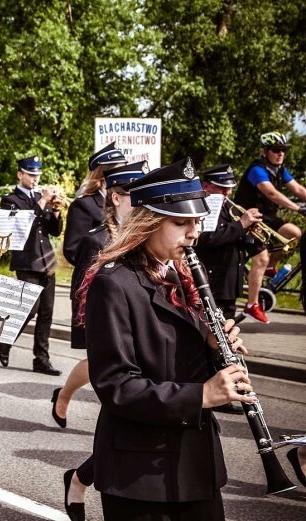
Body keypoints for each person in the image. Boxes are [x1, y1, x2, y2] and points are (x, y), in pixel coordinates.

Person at [78, 157, 254, 520]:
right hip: (141, 473)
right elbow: (117, 386)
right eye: (181, 223)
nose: (193, 233)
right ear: (149, 223)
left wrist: (215, 351)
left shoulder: (183, 276)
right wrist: (201, 395)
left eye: (197, 222)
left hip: (195, 463)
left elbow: (183, 362)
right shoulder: (114, 284)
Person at [54, 161, 145, 521]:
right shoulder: (97, 239)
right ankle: (83, 479)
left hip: (144, 341)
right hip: (114, 341)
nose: (143, 208)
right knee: (126, 419)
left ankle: (80, 478)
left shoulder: (145, 237)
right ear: (116, 197)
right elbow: (83, 294)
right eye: (135, 200)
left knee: (132, 424)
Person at [0, 155, 63, 375]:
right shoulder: (11, 200)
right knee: (29, 309)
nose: (35, 179)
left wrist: (55, 210)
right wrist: (42, 202)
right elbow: (20, 227)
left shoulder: (39, 198)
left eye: (37, 175)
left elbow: (54, 231)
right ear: (20, 174)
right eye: (31, 175)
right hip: (26, 261)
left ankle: (41, 359)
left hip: (47, 261)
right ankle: (7, 342)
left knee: (47, 312)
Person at [234, 132, 306, 322]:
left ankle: (269, 267)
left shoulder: (281, 170)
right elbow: (271, 193)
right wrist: (298, 209)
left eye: (283, 150)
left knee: (294, 233)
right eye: (276, 150)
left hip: (267, 217)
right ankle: (252, 305)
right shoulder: (257, 169)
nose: (280, 154)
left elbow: (298, 190)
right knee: (261, 258)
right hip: (248, 217)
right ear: (265, 151)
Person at [194, 165, 263, 320]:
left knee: (228, 333)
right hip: (213, 282)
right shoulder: (204, 207)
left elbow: (234, 237)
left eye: (230, 188)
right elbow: (208, 238)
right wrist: (241, 225)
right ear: (206, 186)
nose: (228, 193)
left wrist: (252, 234)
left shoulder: (229, 208)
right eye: (222, 188)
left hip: (230, 283)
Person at [63, 142, 127, 265]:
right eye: (119, 171)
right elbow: (72, 251)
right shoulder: (84, 205)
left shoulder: (123, 203)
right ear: (103, 175)